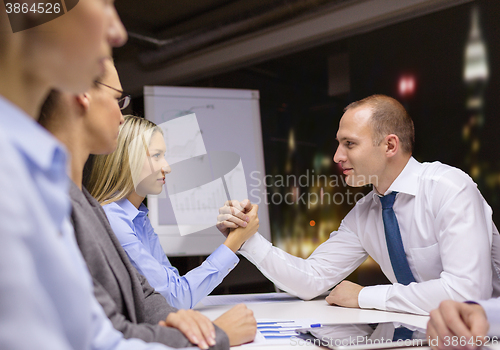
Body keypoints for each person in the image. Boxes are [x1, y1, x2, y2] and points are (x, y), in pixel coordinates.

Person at [38, 59, 258, 350]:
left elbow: (151, 297)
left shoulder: (111, 212)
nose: (166, 167)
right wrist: (213, 333)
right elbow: (121, 326)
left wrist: (183, 322)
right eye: (156, 156)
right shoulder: (87, 213)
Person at [217, 94, 500, 315]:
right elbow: (311, 280)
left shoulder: (450, 189)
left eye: (349, 144)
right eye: (339, 144)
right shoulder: (366, 212)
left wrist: (364, 296)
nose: (337, 156)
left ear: (389, 146)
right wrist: (246, 238)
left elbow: (466, 294)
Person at [0, 2, 177, 350]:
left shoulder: (39, 171)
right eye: (103, 5)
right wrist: (212, 337)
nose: (117, 33)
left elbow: (95, 333)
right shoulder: (22, 175)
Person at [85, 116, 260, 309]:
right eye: (156, 156)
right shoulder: (112, 220)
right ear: (128, 159)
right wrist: (234, 241)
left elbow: (172, 285)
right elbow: (175, 297)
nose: (167, 167)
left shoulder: (138, 217)